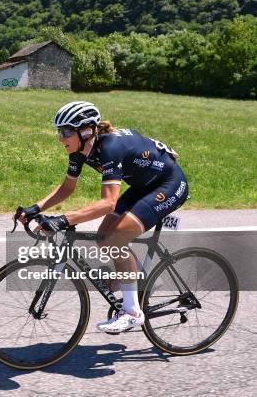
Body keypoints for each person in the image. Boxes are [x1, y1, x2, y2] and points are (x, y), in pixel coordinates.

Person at [16, 101, 189, 333]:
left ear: (86, 131)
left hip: (169, 184)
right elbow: (67, 188)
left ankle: (132, 313)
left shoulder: (110, 148)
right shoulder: (79, 151)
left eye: (66, 132)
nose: (61, 138)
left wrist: (64, 220)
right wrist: (35, 208)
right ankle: (137, 277)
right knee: (103, 237)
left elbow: (108, 203)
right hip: (143, 185)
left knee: (116, 238)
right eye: (59, 132)